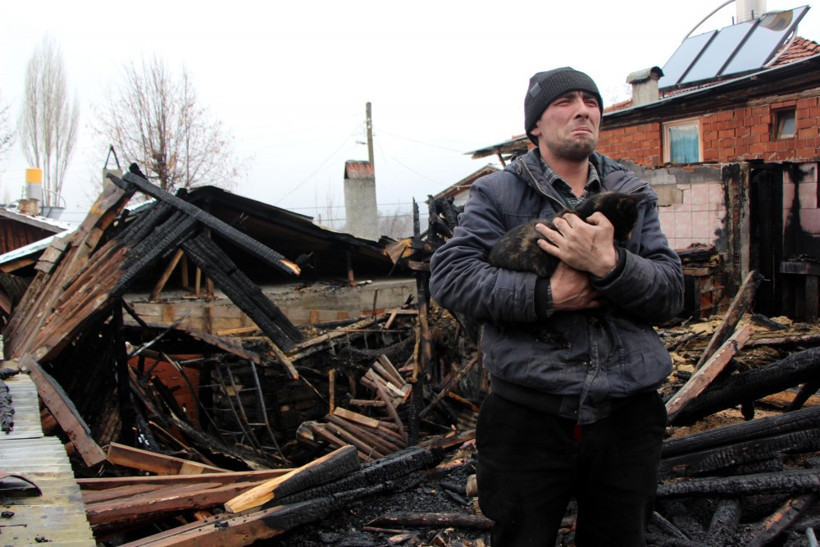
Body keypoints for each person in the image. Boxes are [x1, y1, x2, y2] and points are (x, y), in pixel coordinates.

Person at [429, 67, 684, 546]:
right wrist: (548, 296)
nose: (583, 108)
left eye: (591, 100)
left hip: (627, 414)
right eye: (564, 101)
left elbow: (671, 292)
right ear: (535, 126)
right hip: (528, 413)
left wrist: (610, 266)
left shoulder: (632, 193)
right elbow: (451, 277)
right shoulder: (497, 193)